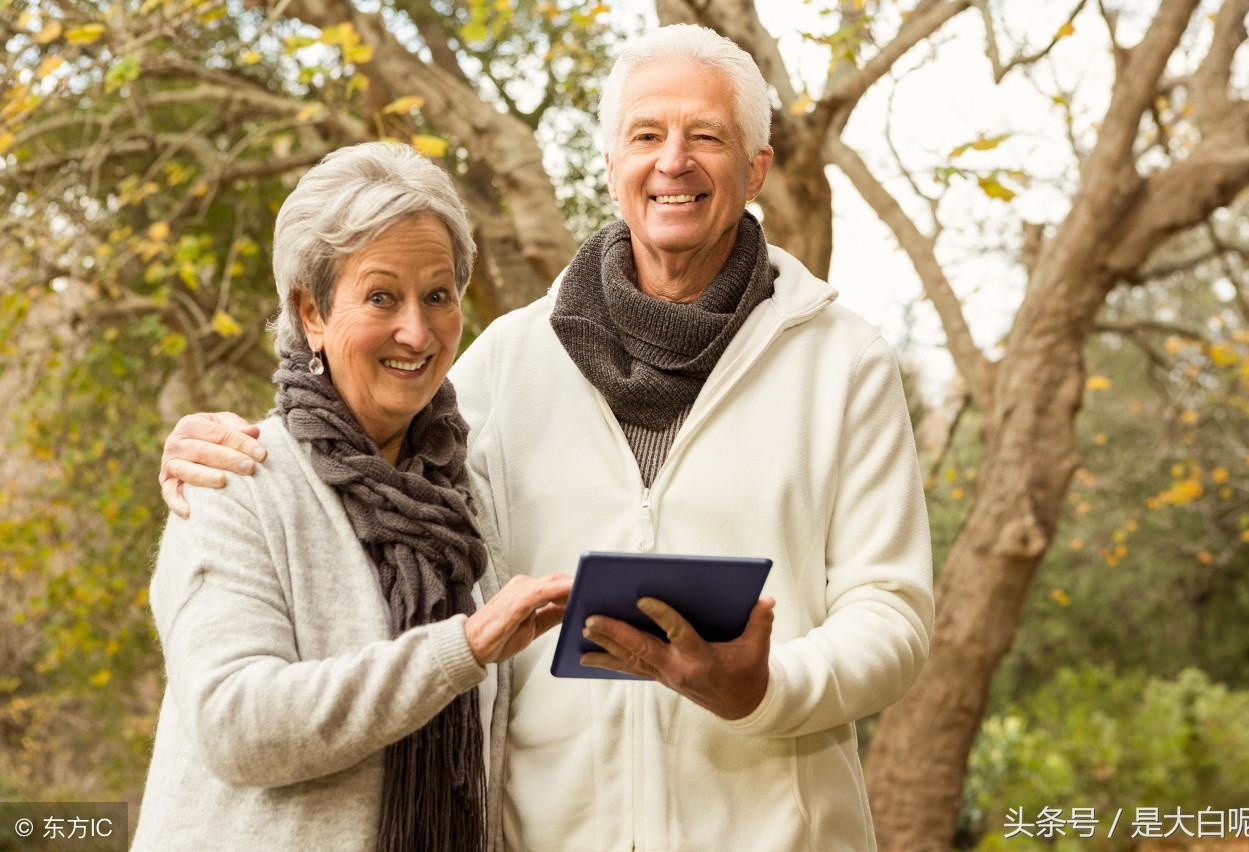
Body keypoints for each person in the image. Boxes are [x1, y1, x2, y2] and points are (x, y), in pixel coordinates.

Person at [159, 24, 933, 851]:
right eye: (645, 136)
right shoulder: (508, 361)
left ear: (756, 169)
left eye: (705, 136)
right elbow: (353, 433)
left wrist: (767, 688)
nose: (672, 161)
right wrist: (215, 444)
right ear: (609, 167)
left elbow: (893, 614)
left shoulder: (841, 361)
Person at [134, 142, 571, 852]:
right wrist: (458, 648)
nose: (417, 331)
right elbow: (237, 725)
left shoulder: (469, 504)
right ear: (310, 312)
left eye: (438, 294)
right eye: (380, 296)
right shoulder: (235, 480)